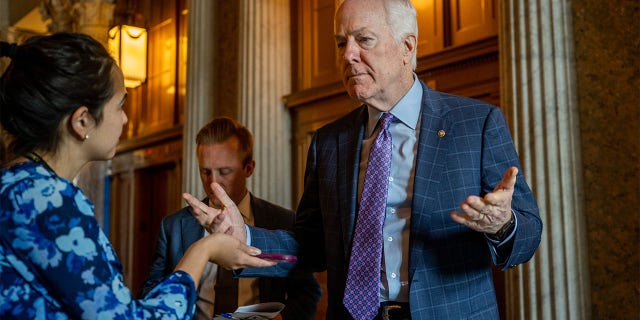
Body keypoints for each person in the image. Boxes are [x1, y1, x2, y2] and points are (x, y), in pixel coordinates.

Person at [185, 0, 543, 319]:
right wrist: (243, 235)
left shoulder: (475, 124)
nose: (347, 55)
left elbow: (528, 235)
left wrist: (502, 225)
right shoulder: (329, 142)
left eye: (363, 39)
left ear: (407, 46)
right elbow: (310, 247)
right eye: (342, 43)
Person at [0, 33, 274, 319]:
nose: (125, 119)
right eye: (119, 106)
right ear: (82, 121)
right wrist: (204, 250)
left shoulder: (18, 186)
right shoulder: (48, 201)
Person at [139, 117, 321, 319]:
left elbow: (307, 293)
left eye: (224, 172)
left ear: (249, 168)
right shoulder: (174, 226)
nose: (213, 182)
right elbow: (150, 293)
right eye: (205, 171)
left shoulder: (283, 220)